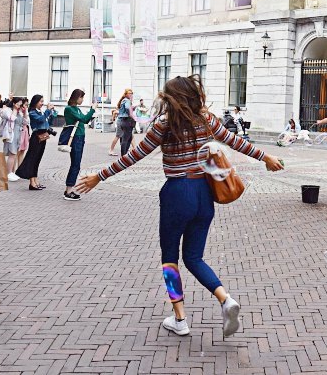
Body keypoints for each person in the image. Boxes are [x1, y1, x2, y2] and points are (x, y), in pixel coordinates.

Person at [74, 75, 284, 337]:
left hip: (177, 193)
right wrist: (267, 156)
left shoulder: (165, 124)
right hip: (204, 194)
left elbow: (133, 157)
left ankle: (180, 318)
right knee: (194, 257)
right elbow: (234, 141)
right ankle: (226, 300)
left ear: (171, 98)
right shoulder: (206, 120)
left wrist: (99, 176)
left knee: (170, 258)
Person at [63, 89, 97, 201]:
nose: (82, 100)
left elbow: (85, 120)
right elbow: (83, 119)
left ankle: (69, 189)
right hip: (75, 138)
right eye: (81, 97)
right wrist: (92, 110)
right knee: (75, 164)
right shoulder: (69, 109)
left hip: (80, 137)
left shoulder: (76, 109)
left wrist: (90, 113)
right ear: (77, 97)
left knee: (76, 164)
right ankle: (68, 190)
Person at [15, 95, 55, 190]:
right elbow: (40, 120)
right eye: (41, 101)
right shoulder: (32, 112)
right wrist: (48, 111)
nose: (42, 103)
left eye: (43, 101)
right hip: (36, 137)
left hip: (42, 137)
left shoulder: (40, 112)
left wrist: (52, 113)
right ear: (36, 102)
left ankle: (35, 180)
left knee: (37, 159)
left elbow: (47, 122)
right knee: (33, 159)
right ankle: (32, 182)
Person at [0, 98, 25, 181]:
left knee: (14, 153)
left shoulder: (19, 111)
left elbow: (25, 121)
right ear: (14, 103)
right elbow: (12, 118)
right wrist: (15, 109)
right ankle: (8, 173)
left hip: (18, 133)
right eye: (18, 104)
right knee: (12, 153)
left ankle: (11, 172)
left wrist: (25, 112)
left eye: (21, 104)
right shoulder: (7, 110)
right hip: (11, 134)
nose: (20, 106)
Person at [110, 89, 136, 156]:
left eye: (132, 93)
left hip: (122, 121)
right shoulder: (126, 101)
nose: (131, 94)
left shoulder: (124, 101)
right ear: (126, 94)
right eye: (129, 93)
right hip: (123, 121)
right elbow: (126, 109)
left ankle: (133, 149)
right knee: (119, 136)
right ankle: (112, 150)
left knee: (129, 136)